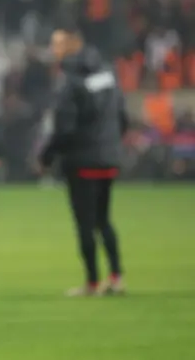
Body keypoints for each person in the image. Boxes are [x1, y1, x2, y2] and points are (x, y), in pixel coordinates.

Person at [38, 25, 128, 297]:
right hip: (108, 158)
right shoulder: (107, 72)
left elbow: (65, 127)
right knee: (104, 219)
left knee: (85, 224)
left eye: (58, 44)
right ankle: (116, 277)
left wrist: (47, 155)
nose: (54, 50)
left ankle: (91, 283)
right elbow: (122, 116)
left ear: (73, 44)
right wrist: (111, 144)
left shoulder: (69, 80)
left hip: (82, 162)